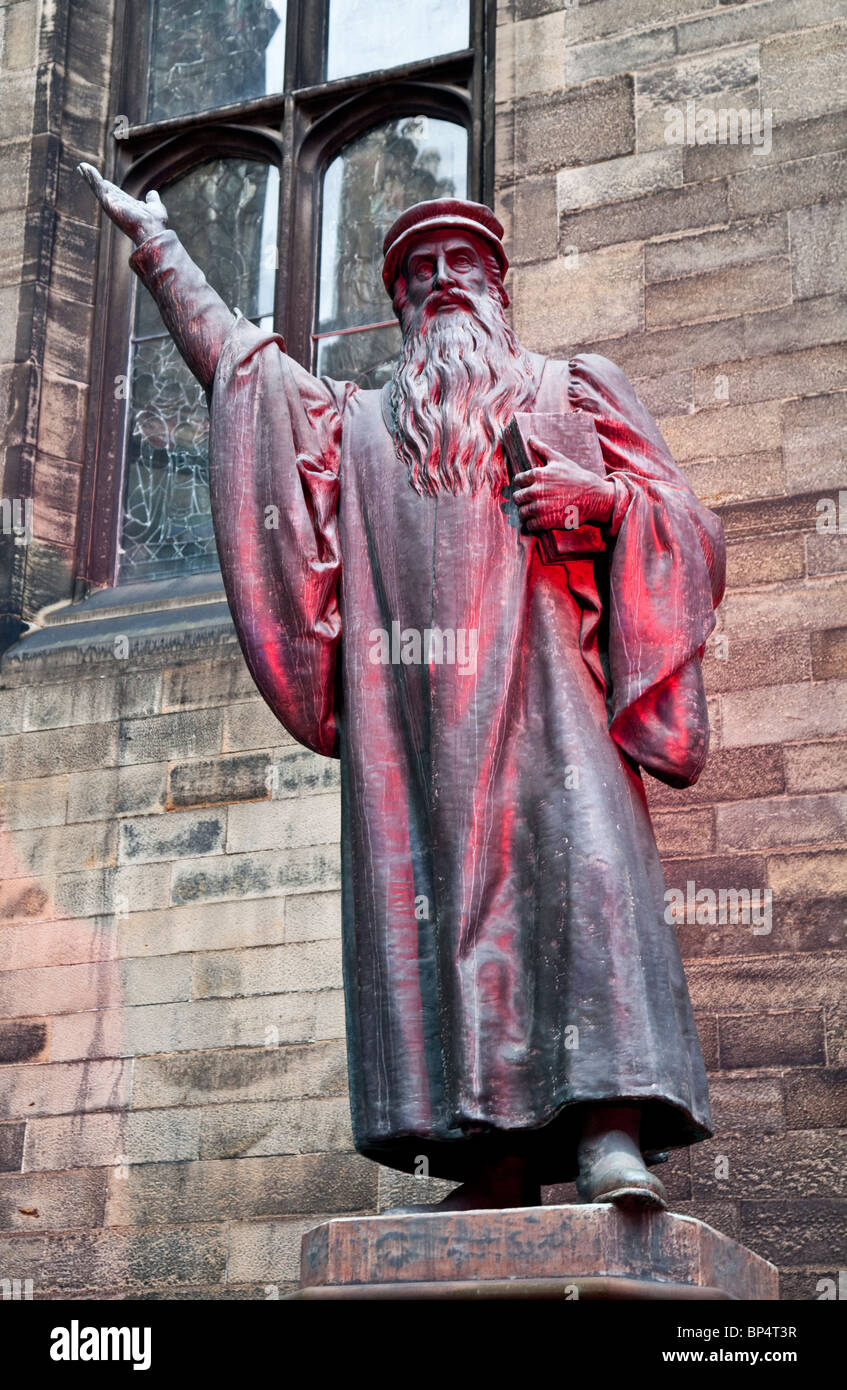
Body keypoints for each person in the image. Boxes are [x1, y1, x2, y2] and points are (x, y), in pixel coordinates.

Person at [79, 166, 726, 1212]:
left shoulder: (575, 388)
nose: (438, 281)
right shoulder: (359, 426)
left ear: (497, 284)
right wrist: (163, 251)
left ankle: (612, 1134)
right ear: (396, 305)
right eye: (416, 271)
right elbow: (244, 380)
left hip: (555, 703)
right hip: (420, 727)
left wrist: (600, 498)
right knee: (437, 913)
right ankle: (497, 1159)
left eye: (459, 263)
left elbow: (688, 527)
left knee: (588, 879)